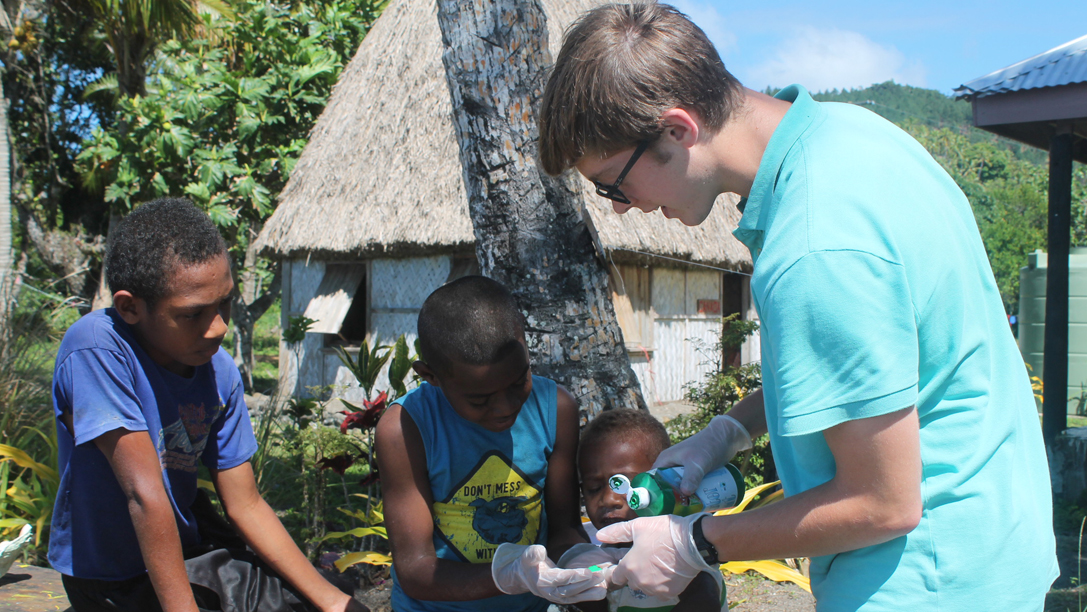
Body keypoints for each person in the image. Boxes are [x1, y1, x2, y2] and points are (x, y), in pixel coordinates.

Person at [536, 3, 1058, 611]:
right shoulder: (851, 137)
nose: (618, 207)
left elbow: (884, 502)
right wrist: (726, 433)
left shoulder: (815, 245)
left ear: (677, 130)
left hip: (924, 582)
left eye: (611, 183)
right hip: (992, 548)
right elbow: (878, 373)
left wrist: (695, 541)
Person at [49, 198, 367, 612]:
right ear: (130, 307)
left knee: (322, 594)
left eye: (225, 304)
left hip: (188, 556)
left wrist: (334, 603)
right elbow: (144, 494)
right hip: (111, 579)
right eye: (194, 314)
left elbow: (246, 504)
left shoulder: (219, 373)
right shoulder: (97, 349)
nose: (218, 327)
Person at [374, 275, 607, 612]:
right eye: (480, 400)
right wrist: (513, 575)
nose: (506, 408)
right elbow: (416, 570)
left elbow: (563, 531)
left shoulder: (555, 408)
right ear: (430, 376)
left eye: (519, 382)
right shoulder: (405, 429)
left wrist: (588, 569)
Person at [559, 409, 725, 612]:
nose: (608, 500)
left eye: (625, 485)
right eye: (594, 488)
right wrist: (582, 577)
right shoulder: (602, 559)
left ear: (664, 480)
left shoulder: (684, 553)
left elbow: (704, 601)